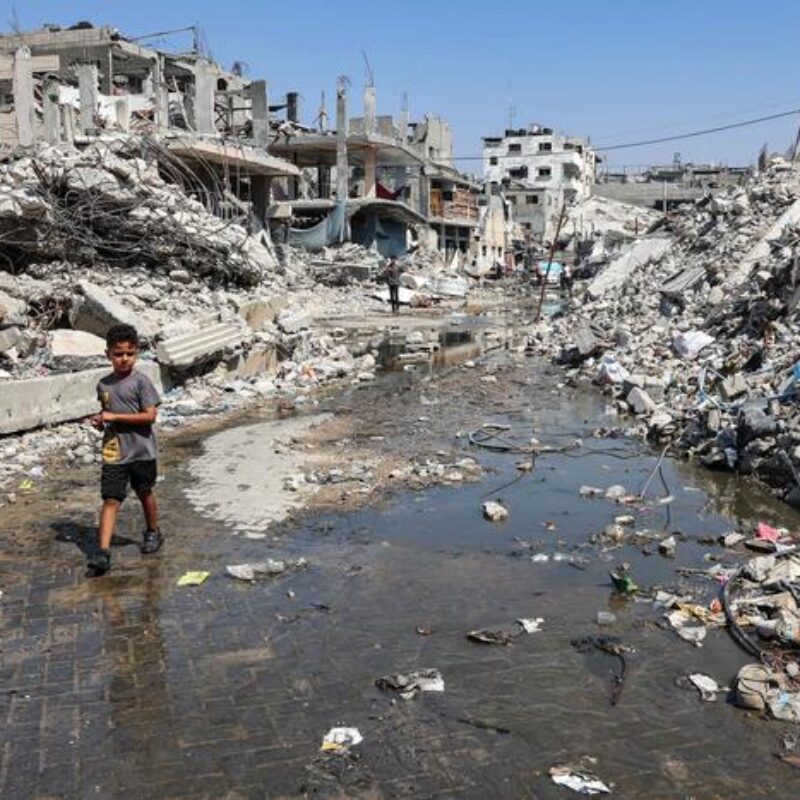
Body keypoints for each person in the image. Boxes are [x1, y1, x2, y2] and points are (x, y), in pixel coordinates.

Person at [87, 324, 163, 577]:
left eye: (129, 354)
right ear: (108, 354)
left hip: (142, 451)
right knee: (111, 499)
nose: (124, 359)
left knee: (144, 491)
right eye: (118, 354)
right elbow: (109, 417)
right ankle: (103, 552)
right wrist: (101, 421)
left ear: (136, 354)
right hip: (114, 451)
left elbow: (150, 416)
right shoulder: (103, 385)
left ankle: (153, 531)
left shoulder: (141, 382)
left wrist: (114, 416)